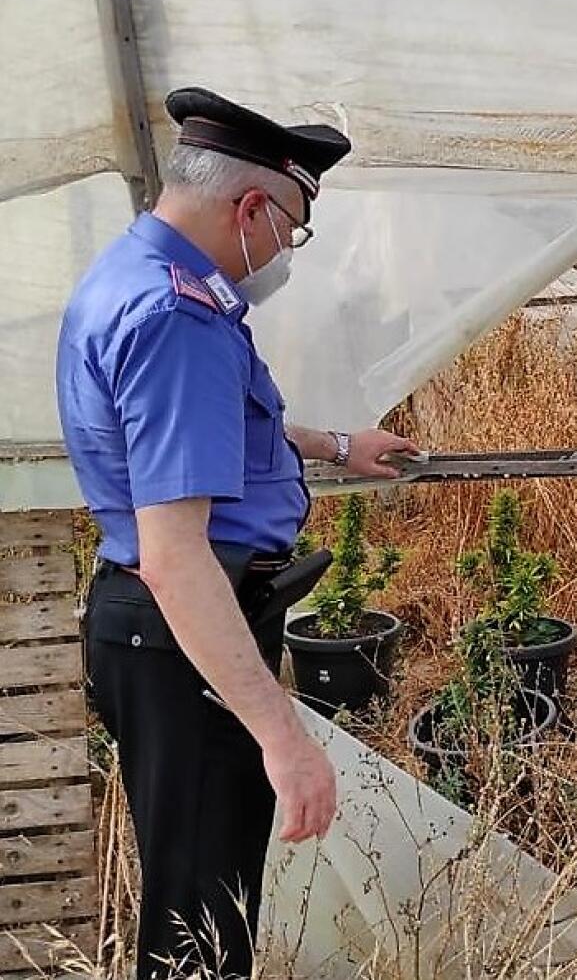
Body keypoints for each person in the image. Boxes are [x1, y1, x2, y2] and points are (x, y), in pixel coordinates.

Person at [56, 87, 420, 979]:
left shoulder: (139, 274)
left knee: (198, 894)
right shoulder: (175, 319)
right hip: (186, 631)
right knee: (201, 927)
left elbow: (206, 427)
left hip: (169, 631)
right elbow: (176, 556)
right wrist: (284, 739)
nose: (286, 251)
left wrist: (335, 444)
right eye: (292, 229)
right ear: (251, 207)